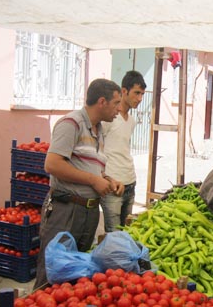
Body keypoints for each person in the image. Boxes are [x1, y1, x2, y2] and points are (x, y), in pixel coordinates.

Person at [33, 78, 123, 289]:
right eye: (116, 103)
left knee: (75, 275)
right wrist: (93, 180)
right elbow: (52, 164)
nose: (119, 109)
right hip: (66, 210)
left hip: (88, 212)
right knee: (52, 275)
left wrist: (108, 180)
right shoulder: (71, 123)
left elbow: (89, 168)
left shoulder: (99, 130)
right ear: (102, 101)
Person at [100, 70, 147, 232]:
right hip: (113, 186)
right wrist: (105, 178)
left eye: (142, 94)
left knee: (127, 233)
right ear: (124, 91)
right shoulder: (108, 118)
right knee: (113, 237)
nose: (140, 98)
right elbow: (97, 149)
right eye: (136, 93)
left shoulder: (132, 121)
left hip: (130, 182)